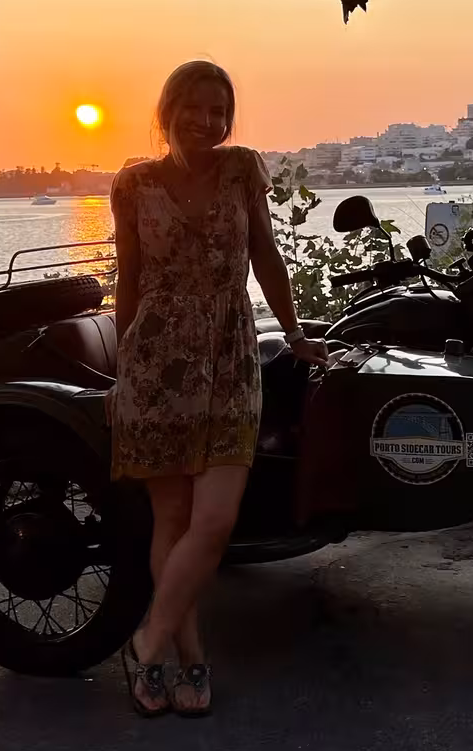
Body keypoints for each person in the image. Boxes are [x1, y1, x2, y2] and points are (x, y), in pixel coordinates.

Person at [110, 59, 327, 717]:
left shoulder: (241, 170)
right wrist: (124, 367)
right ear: (166, 112)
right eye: (195, 108)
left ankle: (148, 641)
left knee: (215, 519)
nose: (208, 121)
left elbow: (265, 256)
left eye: (219, 110)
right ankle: (188, 658)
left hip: (231, 358)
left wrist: (293, 334)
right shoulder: (134, 184)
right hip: (156, 364)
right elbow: (129, 280)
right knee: (172, 519)